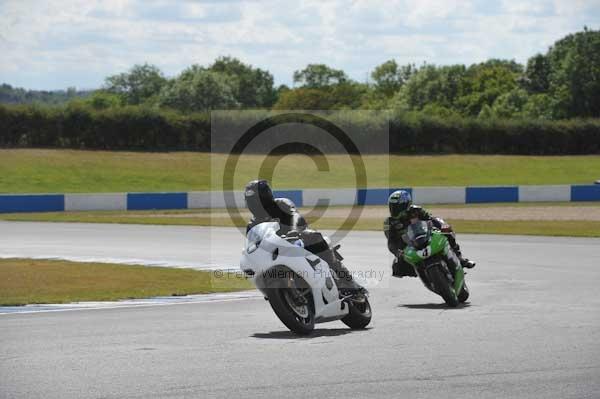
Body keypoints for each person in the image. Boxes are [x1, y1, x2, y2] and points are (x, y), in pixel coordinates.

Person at [244, 179, 365, 295]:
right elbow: (253, 244)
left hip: (297, 238)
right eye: (251, 201)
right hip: (278, 251)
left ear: (266, 197)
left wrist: (293, 231)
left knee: (314, 236)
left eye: (256, 200)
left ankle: (349, 282)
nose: (254, 204)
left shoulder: (281, 203)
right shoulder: (252, 224)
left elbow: (294, 216)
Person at [384, 190, 476, 278]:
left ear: (406, 205)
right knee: (396, 268)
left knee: (445, 228)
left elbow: (431, 219)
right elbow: (391, 242)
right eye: (392, 207)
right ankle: (420, 272)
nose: (394, 210)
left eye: (397, 207)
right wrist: (397, 252)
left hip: (425, 237)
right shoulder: (389, 222)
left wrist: (440, 227)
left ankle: (459, 258)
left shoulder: (416, 210)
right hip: (409, 246)